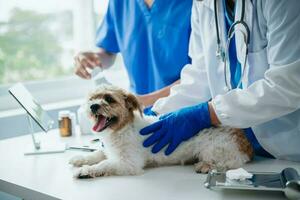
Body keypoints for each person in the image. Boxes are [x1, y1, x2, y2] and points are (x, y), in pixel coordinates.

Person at [140, 0, 300, 161]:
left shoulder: (283, 3)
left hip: (291, 149)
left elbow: (287, 86)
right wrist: (158, 112)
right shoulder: (204, 4)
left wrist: (206, 114)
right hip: (249, 150)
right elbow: (200, 76)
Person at [74, 0, 193, 107]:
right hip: (139, 112)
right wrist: (93, 59)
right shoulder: (119, 3)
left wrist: (143, 101)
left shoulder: (194, 4)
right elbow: (108, 51)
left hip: (184, 110)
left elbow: (201, 74)